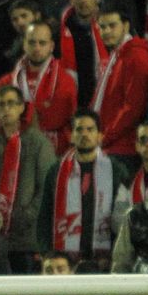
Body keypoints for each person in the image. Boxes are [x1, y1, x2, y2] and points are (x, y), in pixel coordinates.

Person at [0, 83, 58, 271]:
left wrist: (27, 215)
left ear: (22, 107)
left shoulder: (38, 142)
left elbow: (47, 186)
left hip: (25, 237)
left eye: (11, 103)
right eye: (0, 104)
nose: (6, 109)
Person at [38, 108, 124, 270]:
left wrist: (116, 255)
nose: (84, 134)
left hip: (104, 259)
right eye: (79, 129)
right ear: (71, 136)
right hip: (65, 261)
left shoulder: (116, 169)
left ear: (100, 135)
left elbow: (122, 215)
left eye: (90, 129)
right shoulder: (56, 170)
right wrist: (46, 252)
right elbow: (45, 214)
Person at [0, 18, 79, 154]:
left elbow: (56, 119)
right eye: (32, 42)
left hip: (53, 152)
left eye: (42, 43)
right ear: (24, 44)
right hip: (14, 151)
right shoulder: (5, 83)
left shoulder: (65, 81)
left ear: (51, 46)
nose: (37, 48)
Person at [91, 4, 148, 159]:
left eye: (112, 26)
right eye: (102, 27)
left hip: (123, 148)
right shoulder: (118, 54)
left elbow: (133, 107)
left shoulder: (136, 57)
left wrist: (106, 136)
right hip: (110, 145)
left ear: (125, 26)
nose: (106, 31)